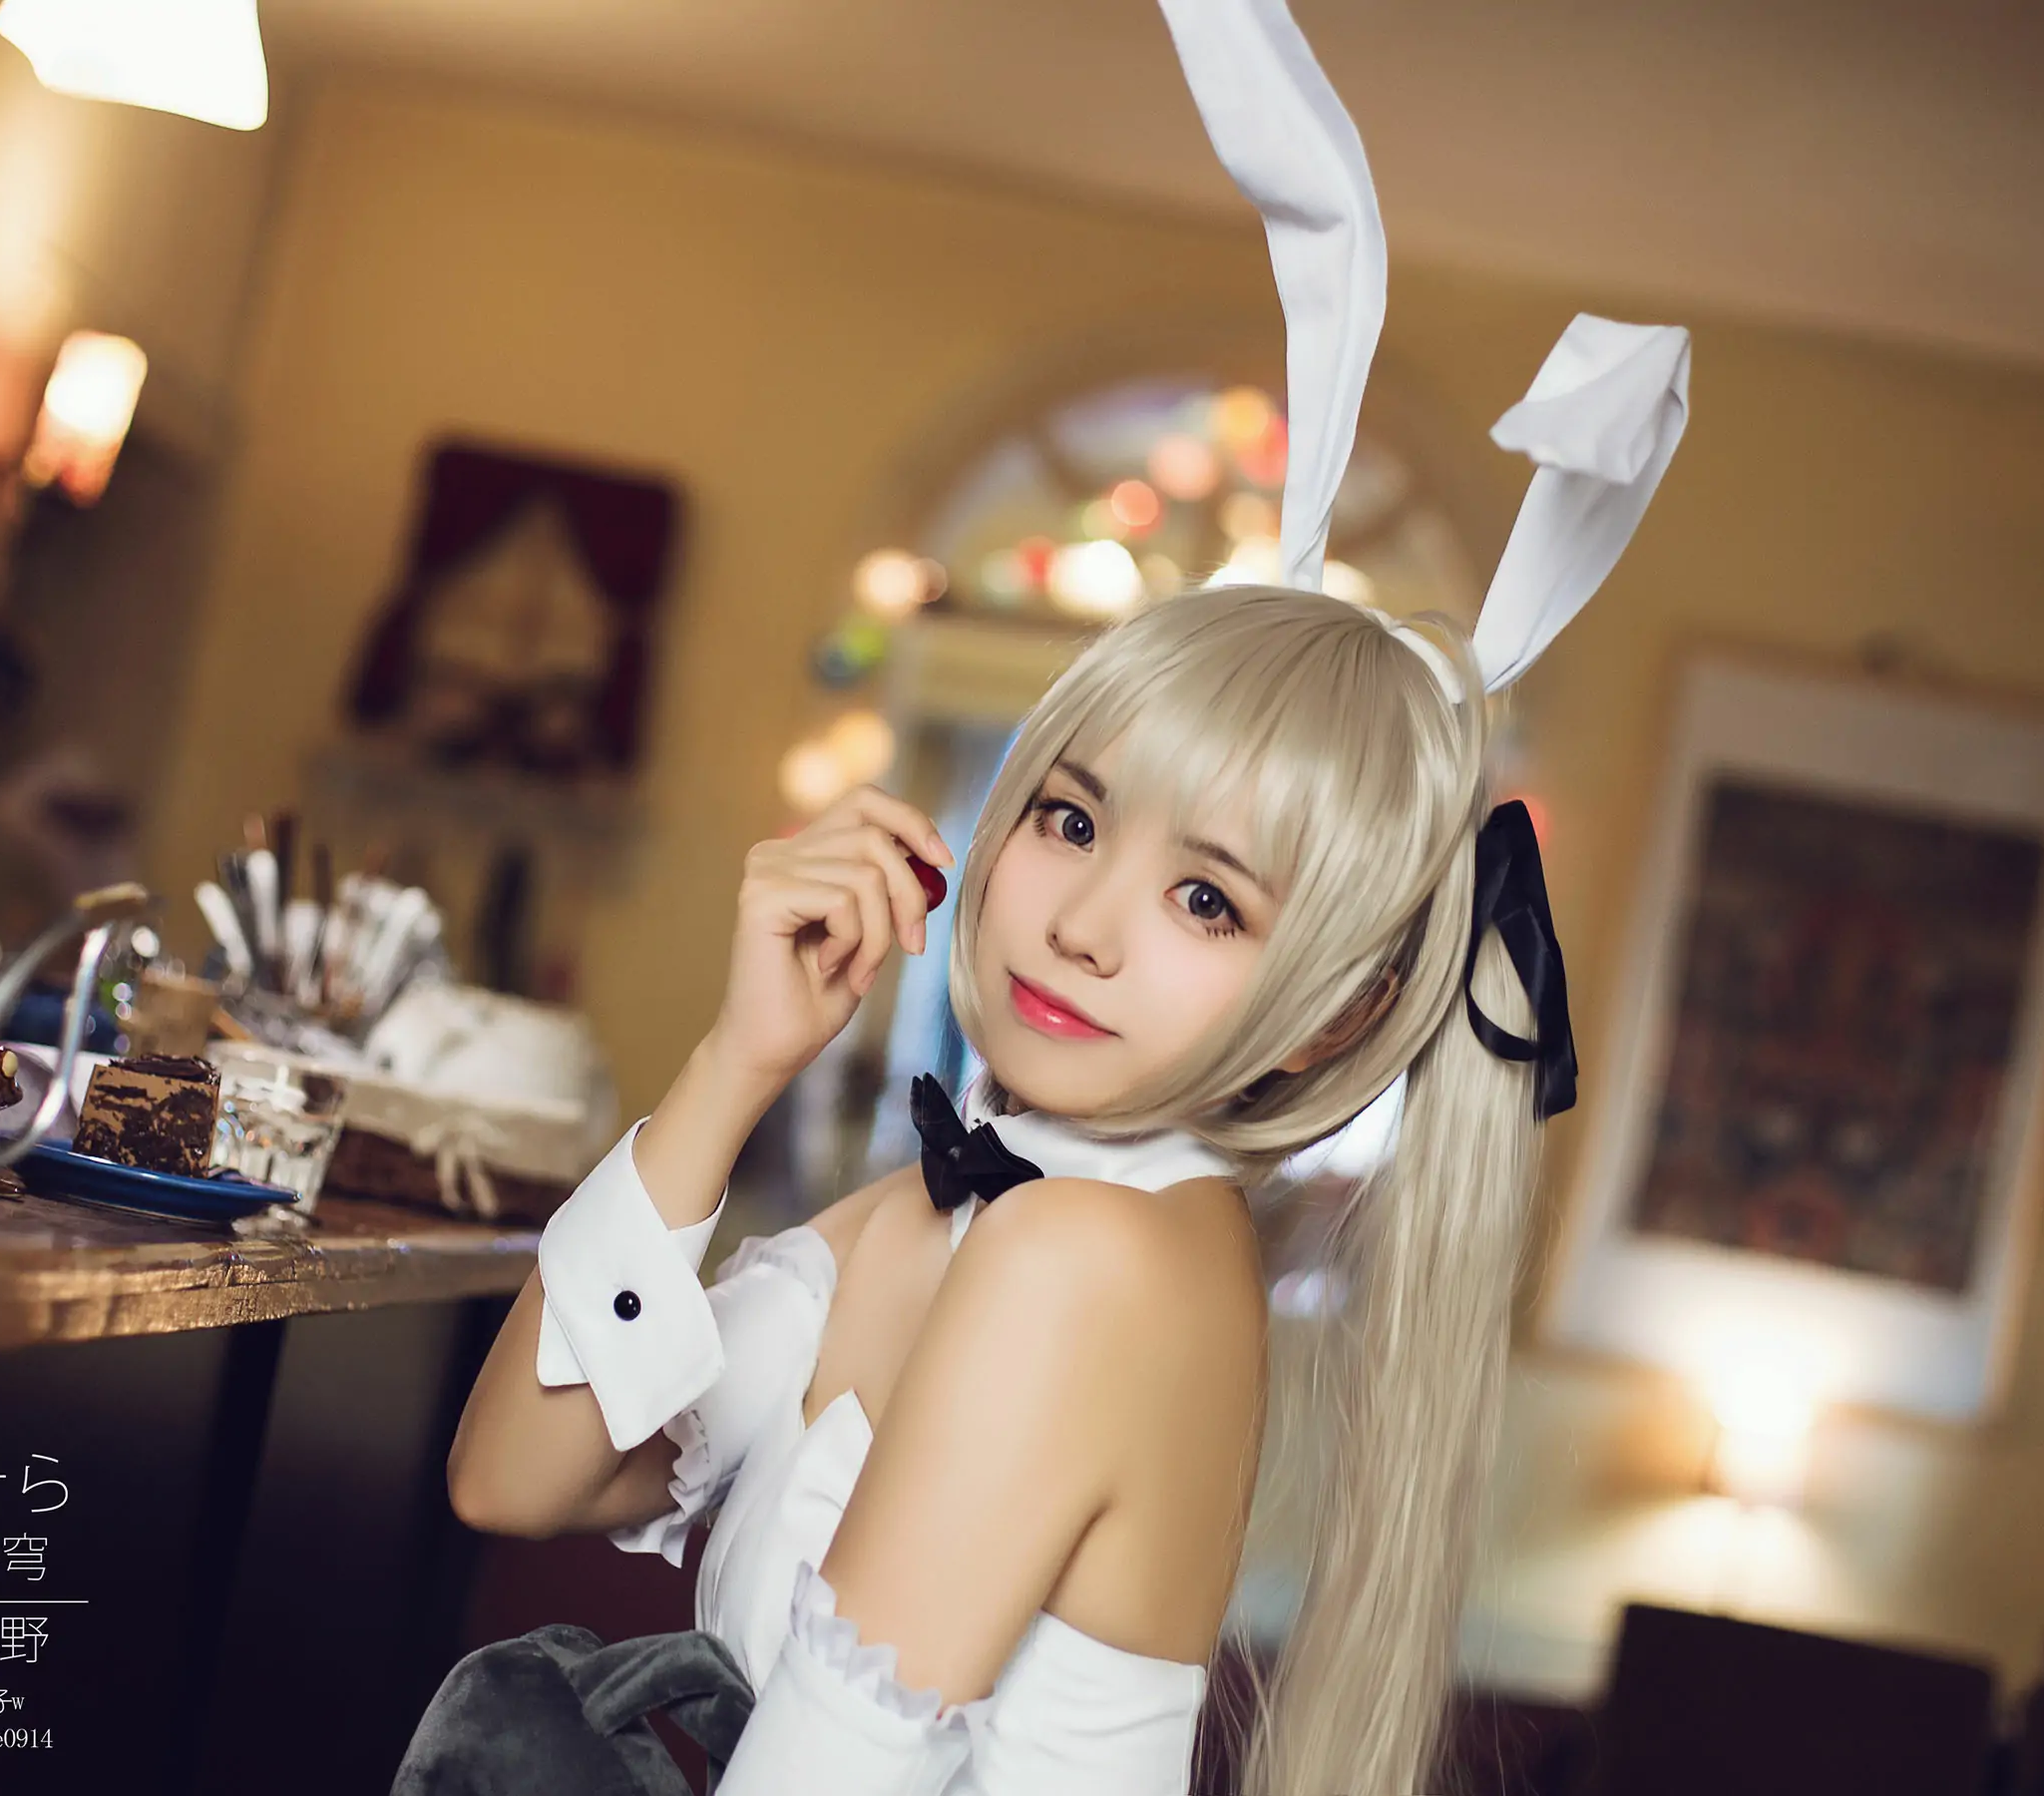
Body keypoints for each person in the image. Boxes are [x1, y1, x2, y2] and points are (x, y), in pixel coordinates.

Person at [415, 2, 1692, 1791]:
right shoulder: (935, 1212)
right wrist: (737, 1062)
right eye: (1076, 820)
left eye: (1209, 903)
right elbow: (512, 1479)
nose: (1083, 922)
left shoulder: (1102, 1259)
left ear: (1331, 1014)